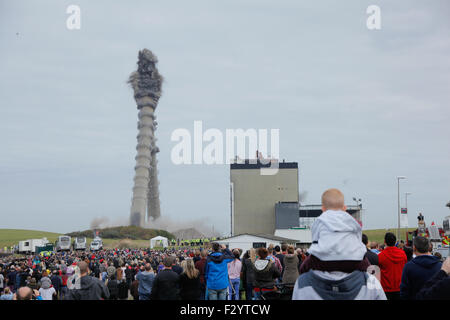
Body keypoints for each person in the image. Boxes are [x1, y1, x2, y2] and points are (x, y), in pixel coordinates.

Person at [292, 188, 386, 300]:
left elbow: (315, 245)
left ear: (323, 209)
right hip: (354, 261)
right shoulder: (351, 221)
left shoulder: (302, 285)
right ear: (344, 208)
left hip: (321, 263)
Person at [378, 232, 407, 300]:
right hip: (400, 287)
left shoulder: (380, 256)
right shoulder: (402, 254)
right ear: (395, 241)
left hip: (386, 289)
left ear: (385, 241)